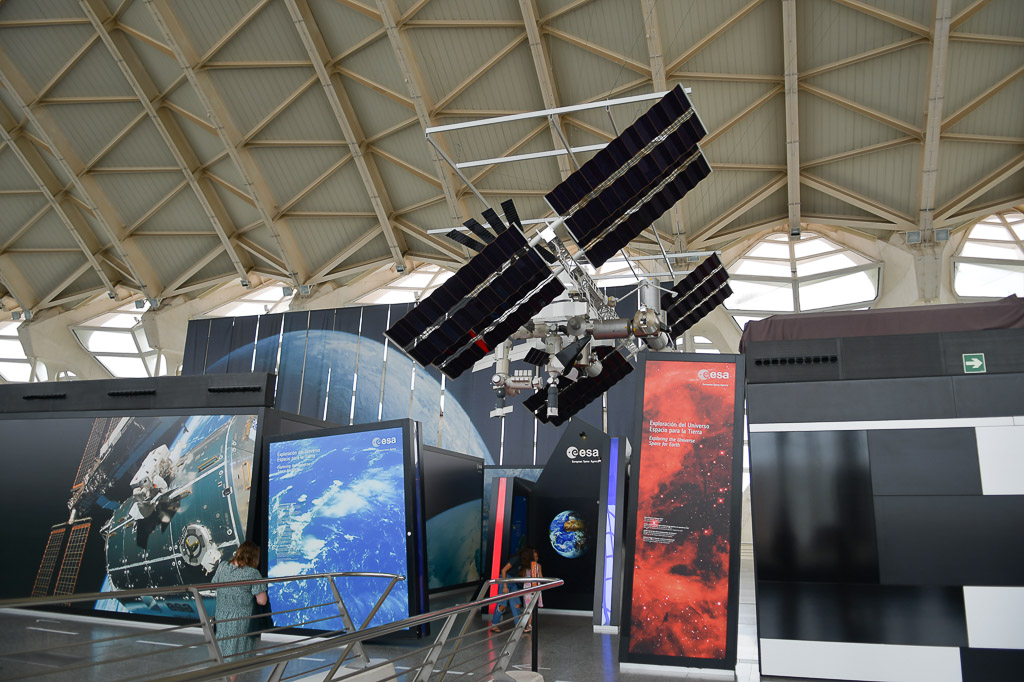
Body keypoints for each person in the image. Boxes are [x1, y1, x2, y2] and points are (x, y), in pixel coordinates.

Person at [212, 541, 268, 680]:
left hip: (222, 617)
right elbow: (262, 600)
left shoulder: (222, 567)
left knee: (224, 654)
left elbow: (214, 584)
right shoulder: (252, 573)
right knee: (235, 658)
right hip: (241, 621)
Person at [489, 546, 533, 633]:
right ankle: (494, 625)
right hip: (506, 579)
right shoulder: (516, 559)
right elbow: (503, 570)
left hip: (513, 581)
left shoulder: (522, 562)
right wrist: (505, 586)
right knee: (503, 604)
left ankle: (518, 626)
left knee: (516, 604)